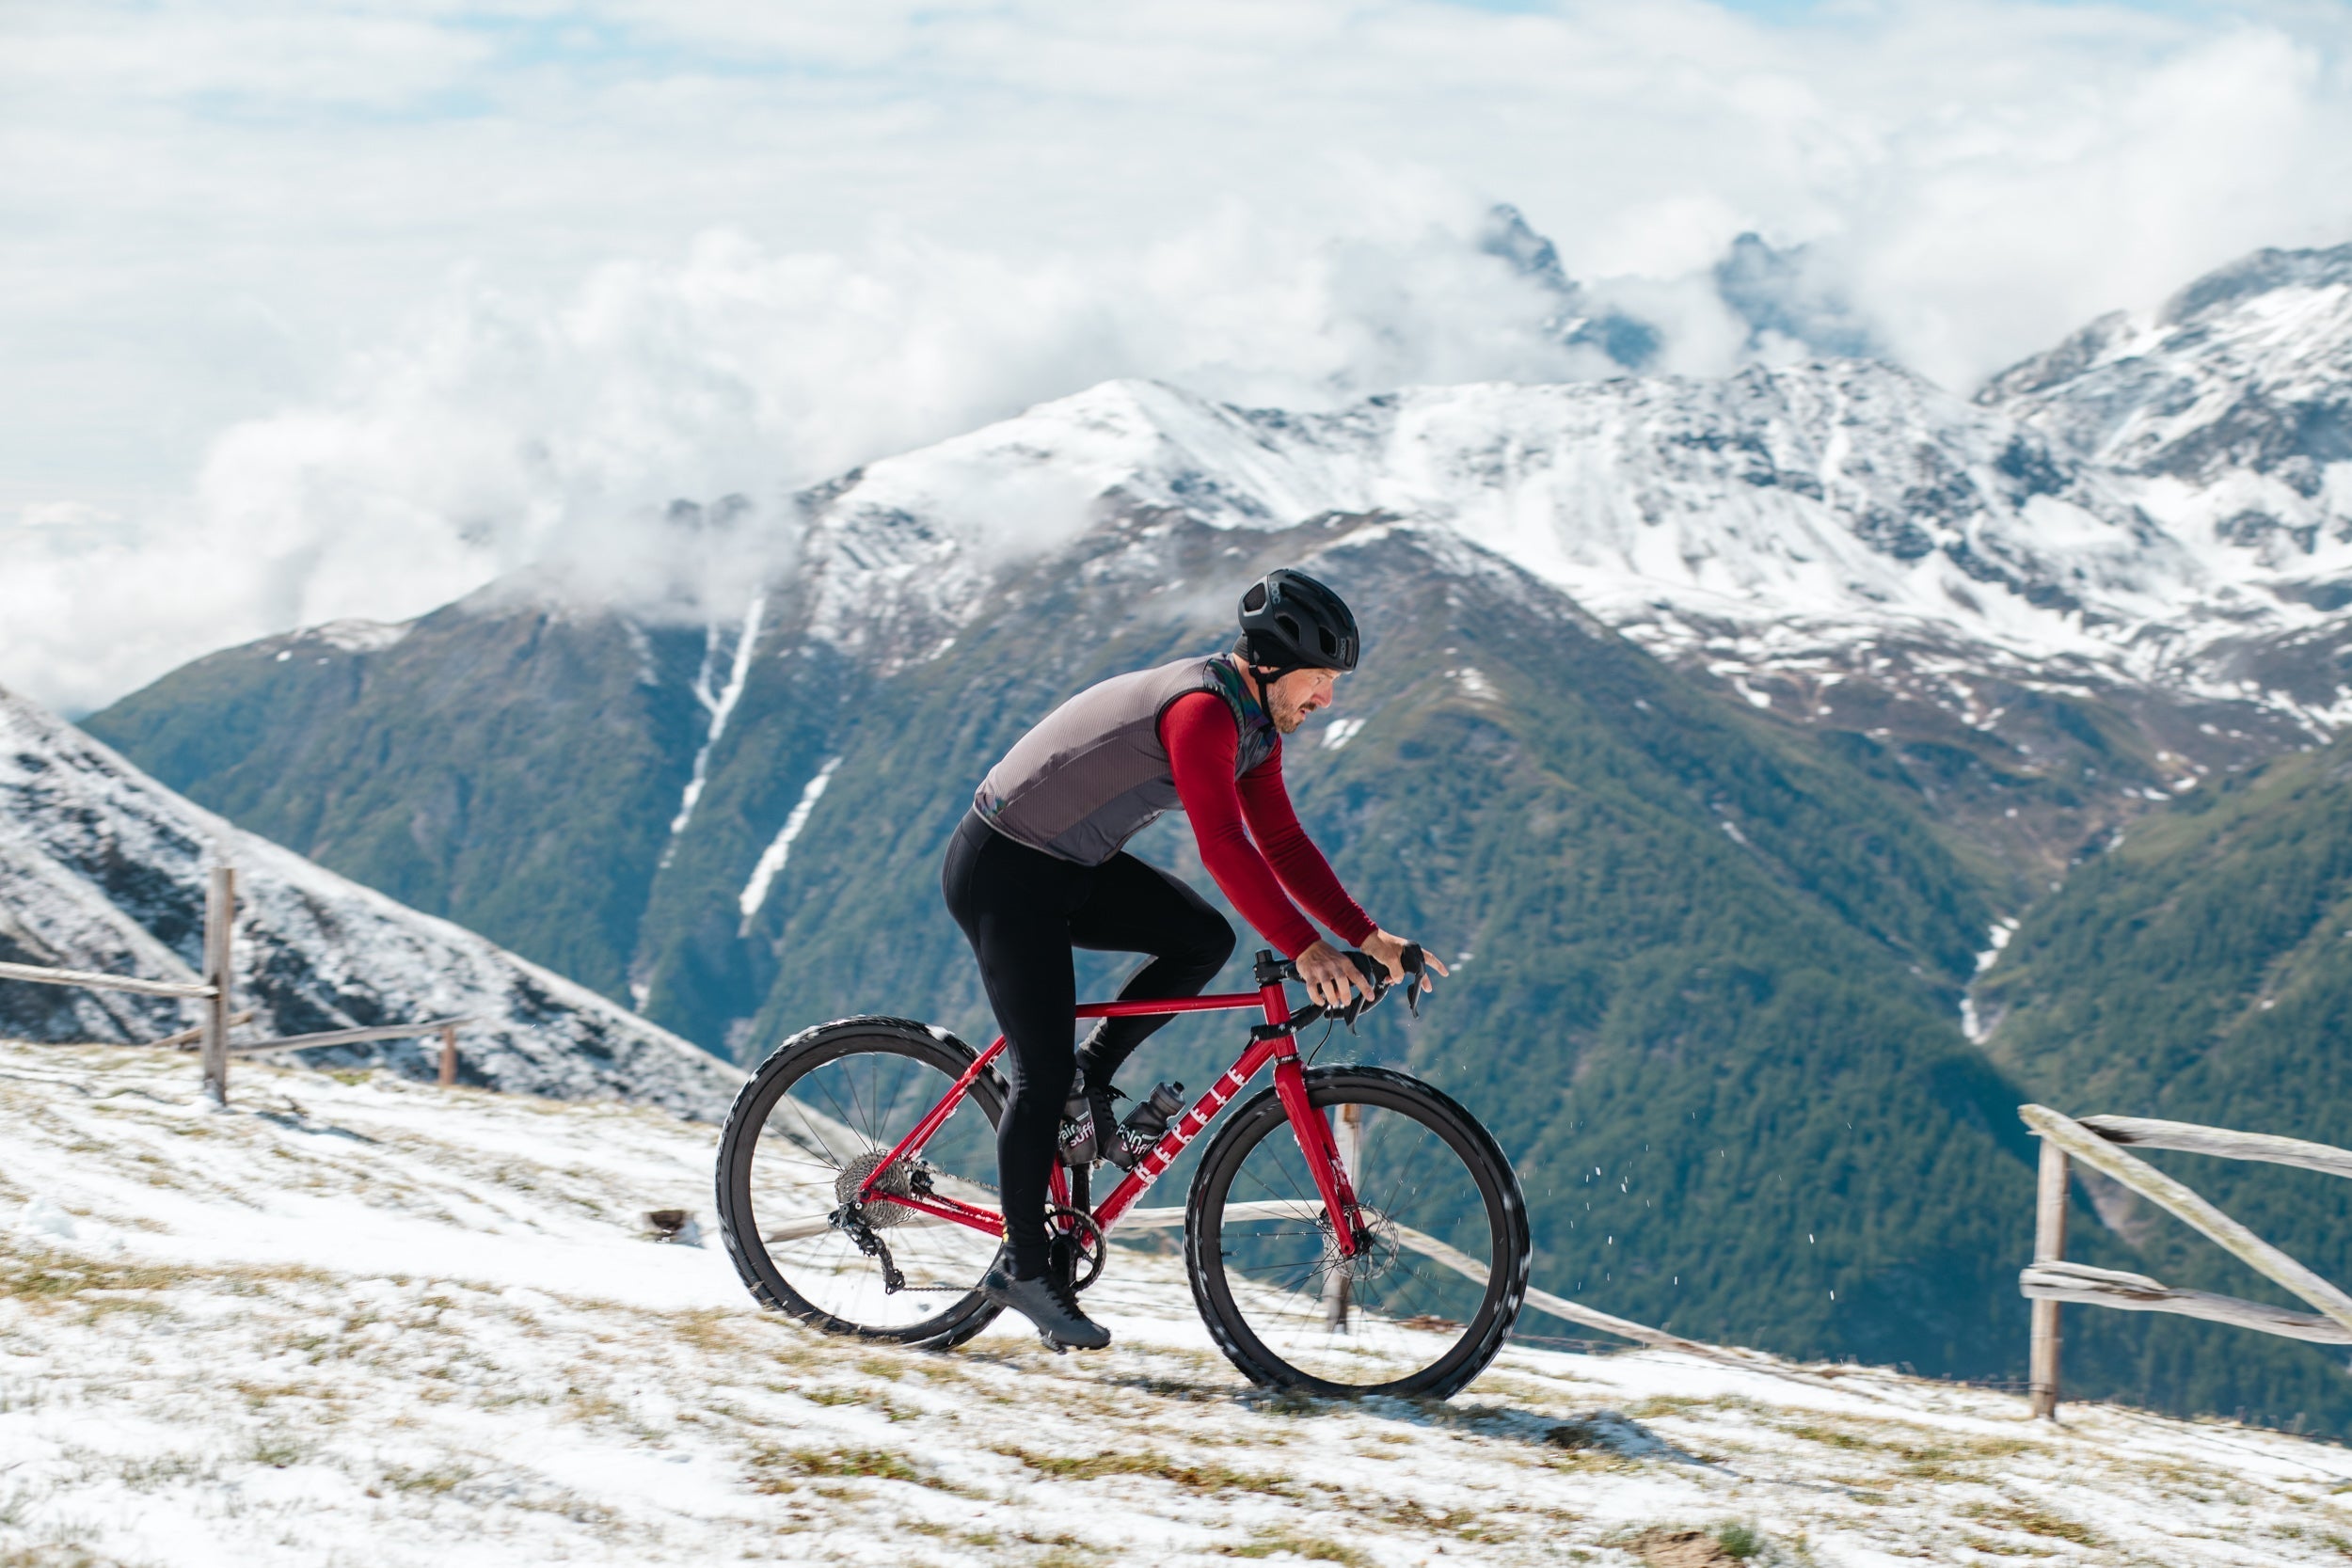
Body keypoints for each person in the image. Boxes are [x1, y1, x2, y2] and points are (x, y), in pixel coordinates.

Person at [940, 568, 1447, 1350]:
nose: (1327, 699)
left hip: (1071, 865)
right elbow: (1223, 845)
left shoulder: (1254, 726)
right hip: (1004, 871)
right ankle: (1023, 1267)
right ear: (1277, 665)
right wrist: (1307, 948)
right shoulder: (1204, 712)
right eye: (1322, 681)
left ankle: (1091, 1073)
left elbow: (1280, 842)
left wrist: (1366, 933)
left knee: (1202, 939)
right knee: (1037, 1073)